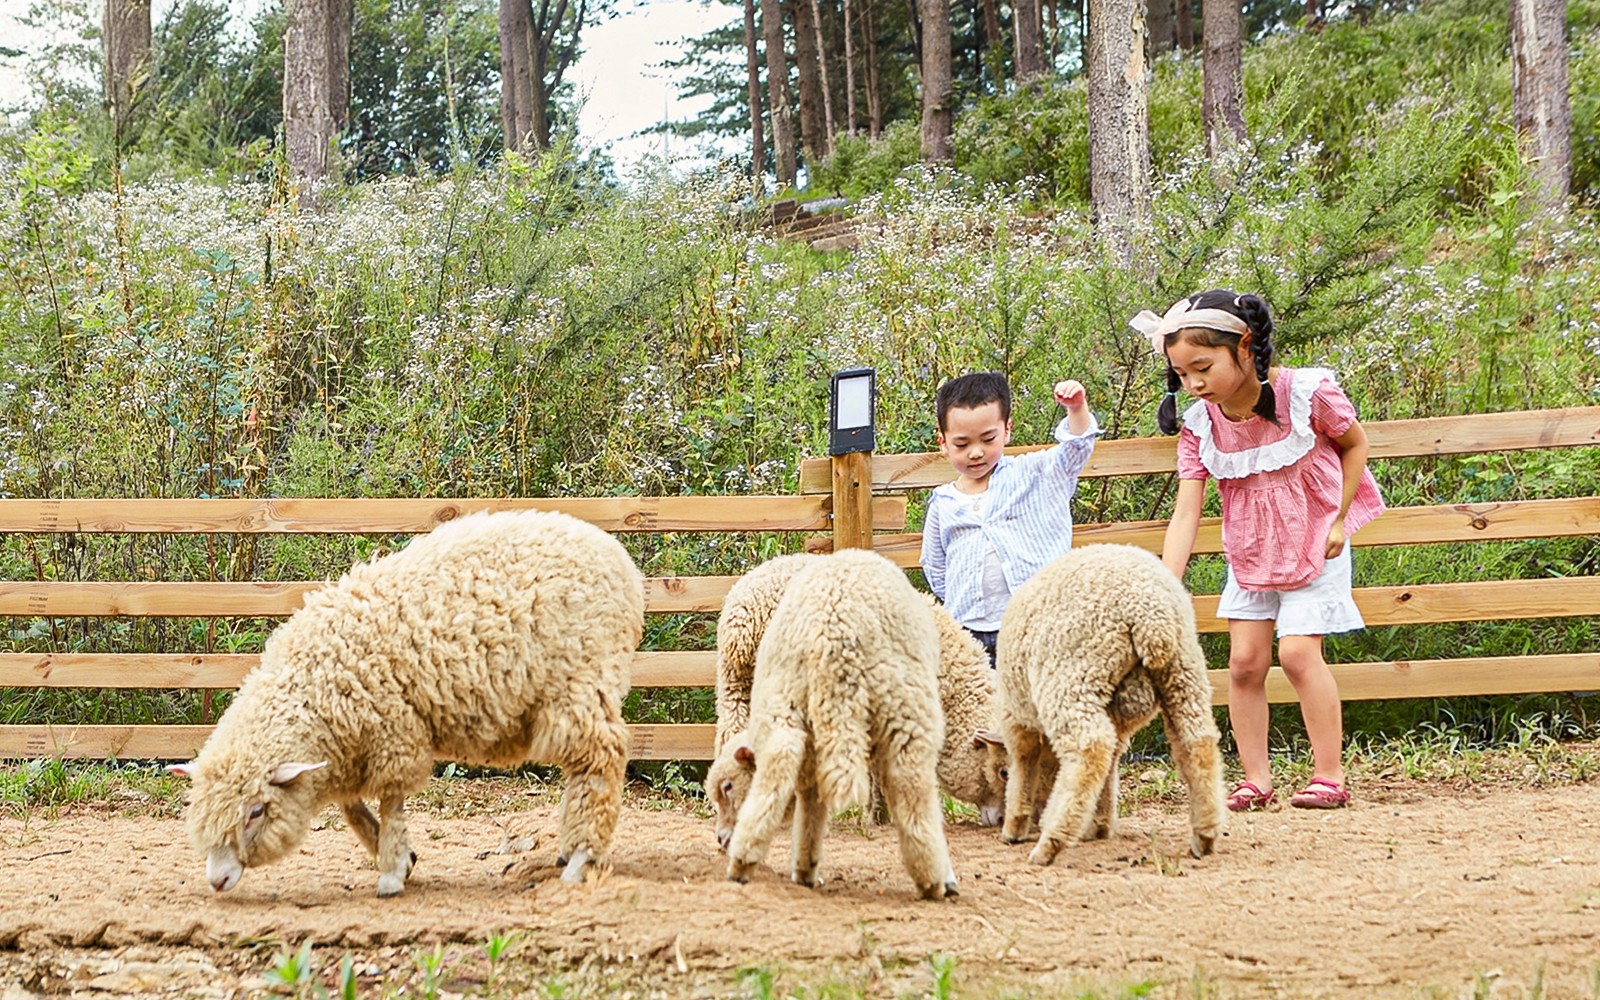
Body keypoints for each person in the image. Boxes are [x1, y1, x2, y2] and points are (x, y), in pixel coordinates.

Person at [1136, 290, 1385, 812]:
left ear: (1244, 346)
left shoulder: (1305, 393)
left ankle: (1328, 775)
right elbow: (1187, 512)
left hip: (1317, 543)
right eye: (1181, 375)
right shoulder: (1200, 426)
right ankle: (1256, 779)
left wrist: (1339, 519)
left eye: (1202, 367)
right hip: (1251, 553)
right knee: (1244, 662)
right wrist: (1165, 578)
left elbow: (1355, 444)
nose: (1194, 384)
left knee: (1297, 653)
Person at [919, 371, 1099, 666]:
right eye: (962, 444)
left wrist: (1076, 409)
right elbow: (936, 566)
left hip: (1034, 625)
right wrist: (962, 598)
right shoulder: (944, 502)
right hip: (968, 631)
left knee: (1035, 702)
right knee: (981, 705)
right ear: (943, 442)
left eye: (988, 439)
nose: (976, 452)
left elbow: (1075, 450)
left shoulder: (1036, 474)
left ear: (1006, 430)